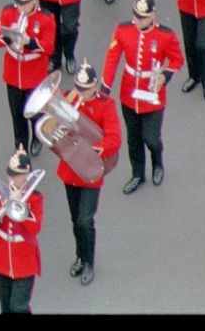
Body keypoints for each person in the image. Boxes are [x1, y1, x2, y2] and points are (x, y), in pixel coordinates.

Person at [102, 0, 184, 194]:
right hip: (129, 93)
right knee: (133, 138)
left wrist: (164, 76)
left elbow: (177, 59)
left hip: (152, 94)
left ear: (152, 16)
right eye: (136, 16)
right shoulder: (123, 30)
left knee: (151, 137)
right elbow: (112, 58)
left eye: (142, 17)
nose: (137, 20)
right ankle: (137, 174)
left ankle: (157, 162)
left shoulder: (165, 36)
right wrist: (105, 87)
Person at [52, 63, 121, 285]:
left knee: (85, 219)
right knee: (75, 219)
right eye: (78, 87)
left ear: (94, 87)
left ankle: (89, 262)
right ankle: (80, 256)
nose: (80, 93)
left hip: (91, 171)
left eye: (85, 89)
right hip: (71, 169)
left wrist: (95, 149)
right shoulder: (68, 99)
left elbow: (114, 139)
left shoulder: (105, 104)